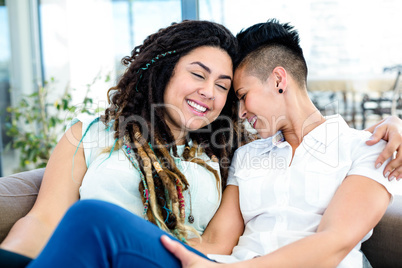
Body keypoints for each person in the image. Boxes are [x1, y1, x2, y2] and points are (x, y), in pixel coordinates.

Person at [20, 19, 402, 268]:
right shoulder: (248, 154)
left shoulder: (369, 147)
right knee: (96, 221)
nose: (234, 108)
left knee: (93, 219)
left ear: (279, 80)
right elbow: (218, 238)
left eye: (237, 92)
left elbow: (334, 243)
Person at [0, 20, 244, 267]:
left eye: (222, 86)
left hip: (168, 260)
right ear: (164, 69)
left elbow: (216, 243)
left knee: (91, 215)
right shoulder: (91, 132)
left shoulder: (223, 155)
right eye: (198, 75)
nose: (209, 92)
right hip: (87, 257)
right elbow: (44, 220)